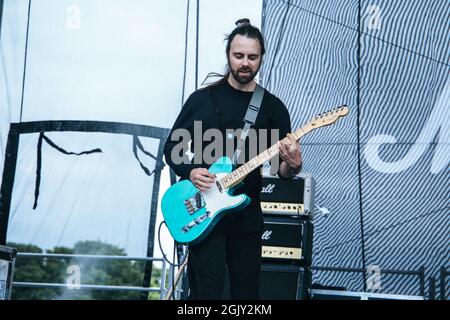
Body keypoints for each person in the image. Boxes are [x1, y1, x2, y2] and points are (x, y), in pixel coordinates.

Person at [163, 18, 302, 300]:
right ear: (228, 55)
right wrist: (191, 171)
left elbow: (282, 171)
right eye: (239, 56)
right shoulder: (201, 99)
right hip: (203, 213)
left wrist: (294, 164)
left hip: (246, 219)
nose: (245, 63)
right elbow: (172, 151)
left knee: (246, 295)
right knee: (205, 294)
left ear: (262, 58)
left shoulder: (273, 108)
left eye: (252, 57)